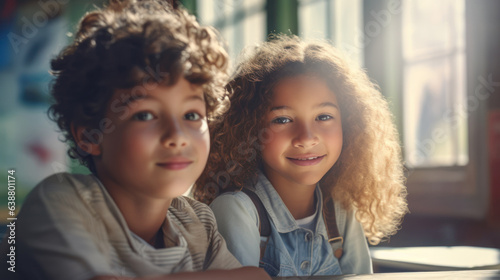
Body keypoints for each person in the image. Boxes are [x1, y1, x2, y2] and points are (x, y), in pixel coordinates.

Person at [0, 1, 270, 280]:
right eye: (144, 115)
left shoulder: (198, 221)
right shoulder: (60, 201)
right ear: (89, 135)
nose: (177, 136)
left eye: (191, 114)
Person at [193, 35, 408, 277]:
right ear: (250, 130)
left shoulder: (341, 211)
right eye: (282, 120)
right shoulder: (237, 210)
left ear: (349, 124)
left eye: (324, 116)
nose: (306, 138)